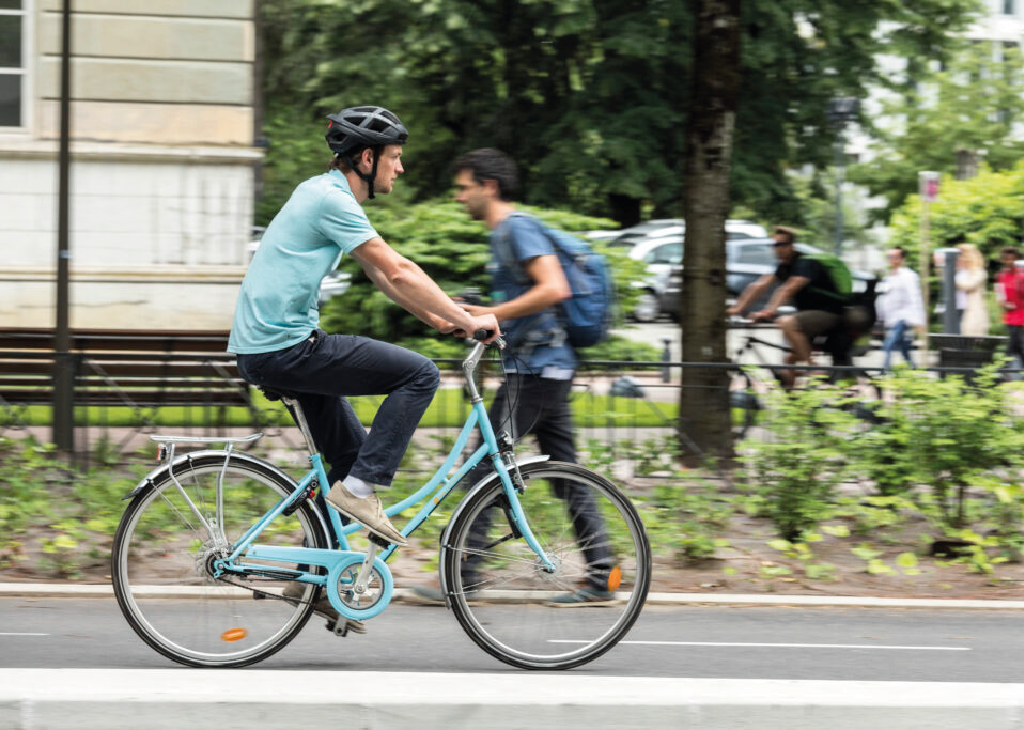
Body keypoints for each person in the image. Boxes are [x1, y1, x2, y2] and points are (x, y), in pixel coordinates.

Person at [227, 106, 499, 624]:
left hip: (273, 347)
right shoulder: (331, 199)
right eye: (395, 158)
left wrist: (442, 318)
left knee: (351, 462)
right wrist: (464, 317)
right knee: (418, 375)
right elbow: (397, 267)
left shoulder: (325, 196)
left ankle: (325, 583)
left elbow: (385, 277)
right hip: (285, 348)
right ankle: (357, 493)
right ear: (367, 157)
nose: (401, 168)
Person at [412, 147, 616, 606]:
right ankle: (603, 574)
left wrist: (488, 315)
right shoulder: (505, 234)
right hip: (543, 368)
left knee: (485, 466)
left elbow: (553, 288)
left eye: (463, 187)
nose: (458, 196)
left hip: (538, 371)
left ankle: (462, 574)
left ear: (490, 186)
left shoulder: (516, 228)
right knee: (564, 475)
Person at [727, 226, 845, 388]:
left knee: (786, 322)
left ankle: (813, 368)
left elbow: (788, 288)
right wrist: (737, 308)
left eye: (781, 244)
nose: (777, 249)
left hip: (829, 314)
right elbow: (759, 285)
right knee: (788, 365)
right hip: (809, 317)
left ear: (791, 246)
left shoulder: (805, 263)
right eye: (775, 245)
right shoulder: (785, 266)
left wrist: (768, 311)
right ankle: (793, 405)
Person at [877, 246, 925, 370]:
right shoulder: (888, 277)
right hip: (892, 319)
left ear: (902, 259)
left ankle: (883, 373)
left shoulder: (908, 275)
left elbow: (915, 298)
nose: (892, 259)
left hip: (903, 318)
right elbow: (885, 300)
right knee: (904, 348)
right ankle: (913, 370)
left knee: (889, 345)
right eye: (889, 256)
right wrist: (881, 319)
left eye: (895, 256)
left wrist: (918, 321)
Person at [996, 246, 1024, 371]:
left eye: (1012, 259)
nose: (1009, 262)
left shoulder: (1021, 275)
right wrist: (1002, 303)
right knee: (1016, 344)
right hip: (1010, 314)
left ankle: (1002, 369)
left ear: (1017, 259)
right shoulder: (1002, 275)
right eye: (1006, 259)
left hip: (1021, 313)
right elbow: (999, 295)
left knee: (1014, 340)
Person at [956, 243, 989, 336]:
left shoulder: (978, 272)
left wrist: (952, 278)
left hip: (969, 311)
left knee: (967, 337)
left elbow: (968, 285)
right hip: (955, 309)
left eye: (961, 256)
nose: (959, 259)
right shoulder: (957, 271)